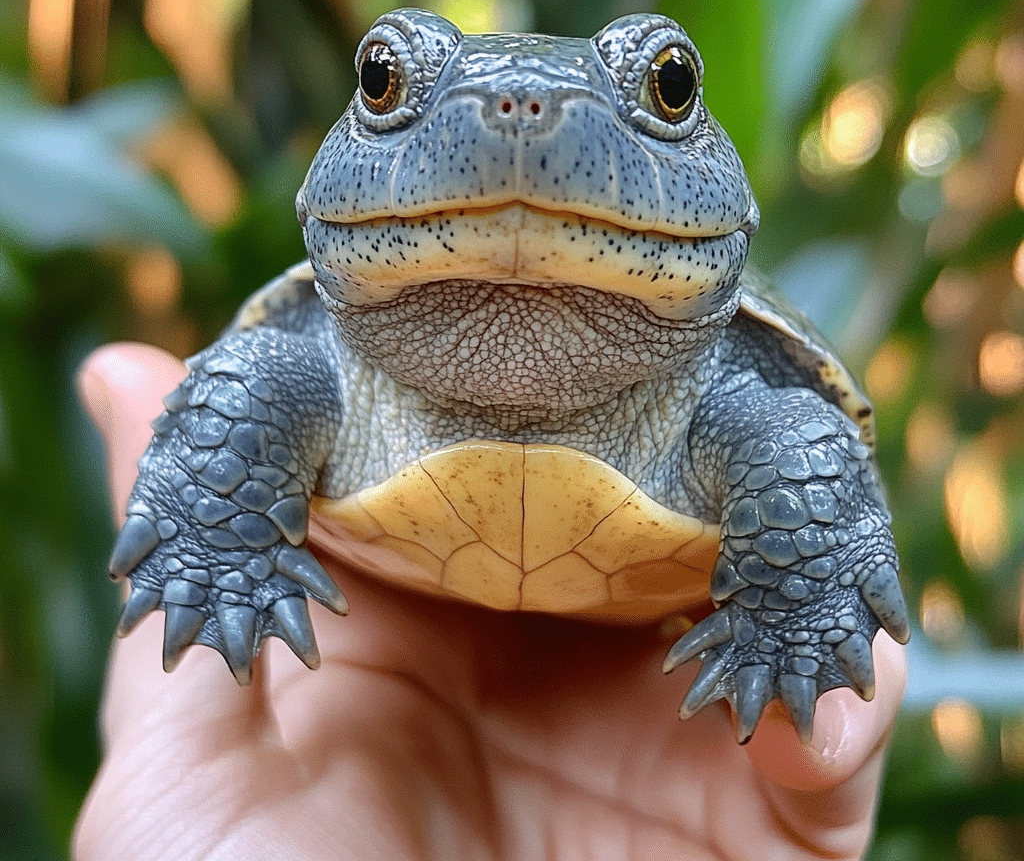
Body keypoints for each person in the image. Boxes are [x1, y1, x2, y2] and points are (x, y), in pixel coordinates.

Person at [73, 342, 906, 861]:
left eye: (669, 89)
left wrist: (799, 615)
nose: (520, 123)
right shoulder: (290, 377)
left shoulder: (761, 422)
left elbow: (810, 445)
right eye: (385, 83)